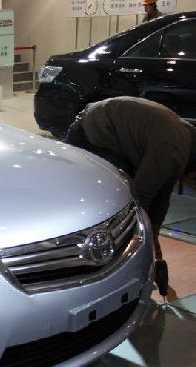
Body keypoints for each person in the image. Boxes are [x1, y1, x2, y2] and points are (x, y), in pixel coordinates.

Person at [66, 96, 196, 296]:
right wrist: (145, 249)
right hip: (89, 131)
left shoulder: (185, 145)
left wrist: (154, 239)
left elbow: (161, 199)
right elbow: (140, 197)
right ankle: (99, 268)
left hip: (111, 126)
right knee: (116, 200)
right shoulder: (172, 152)